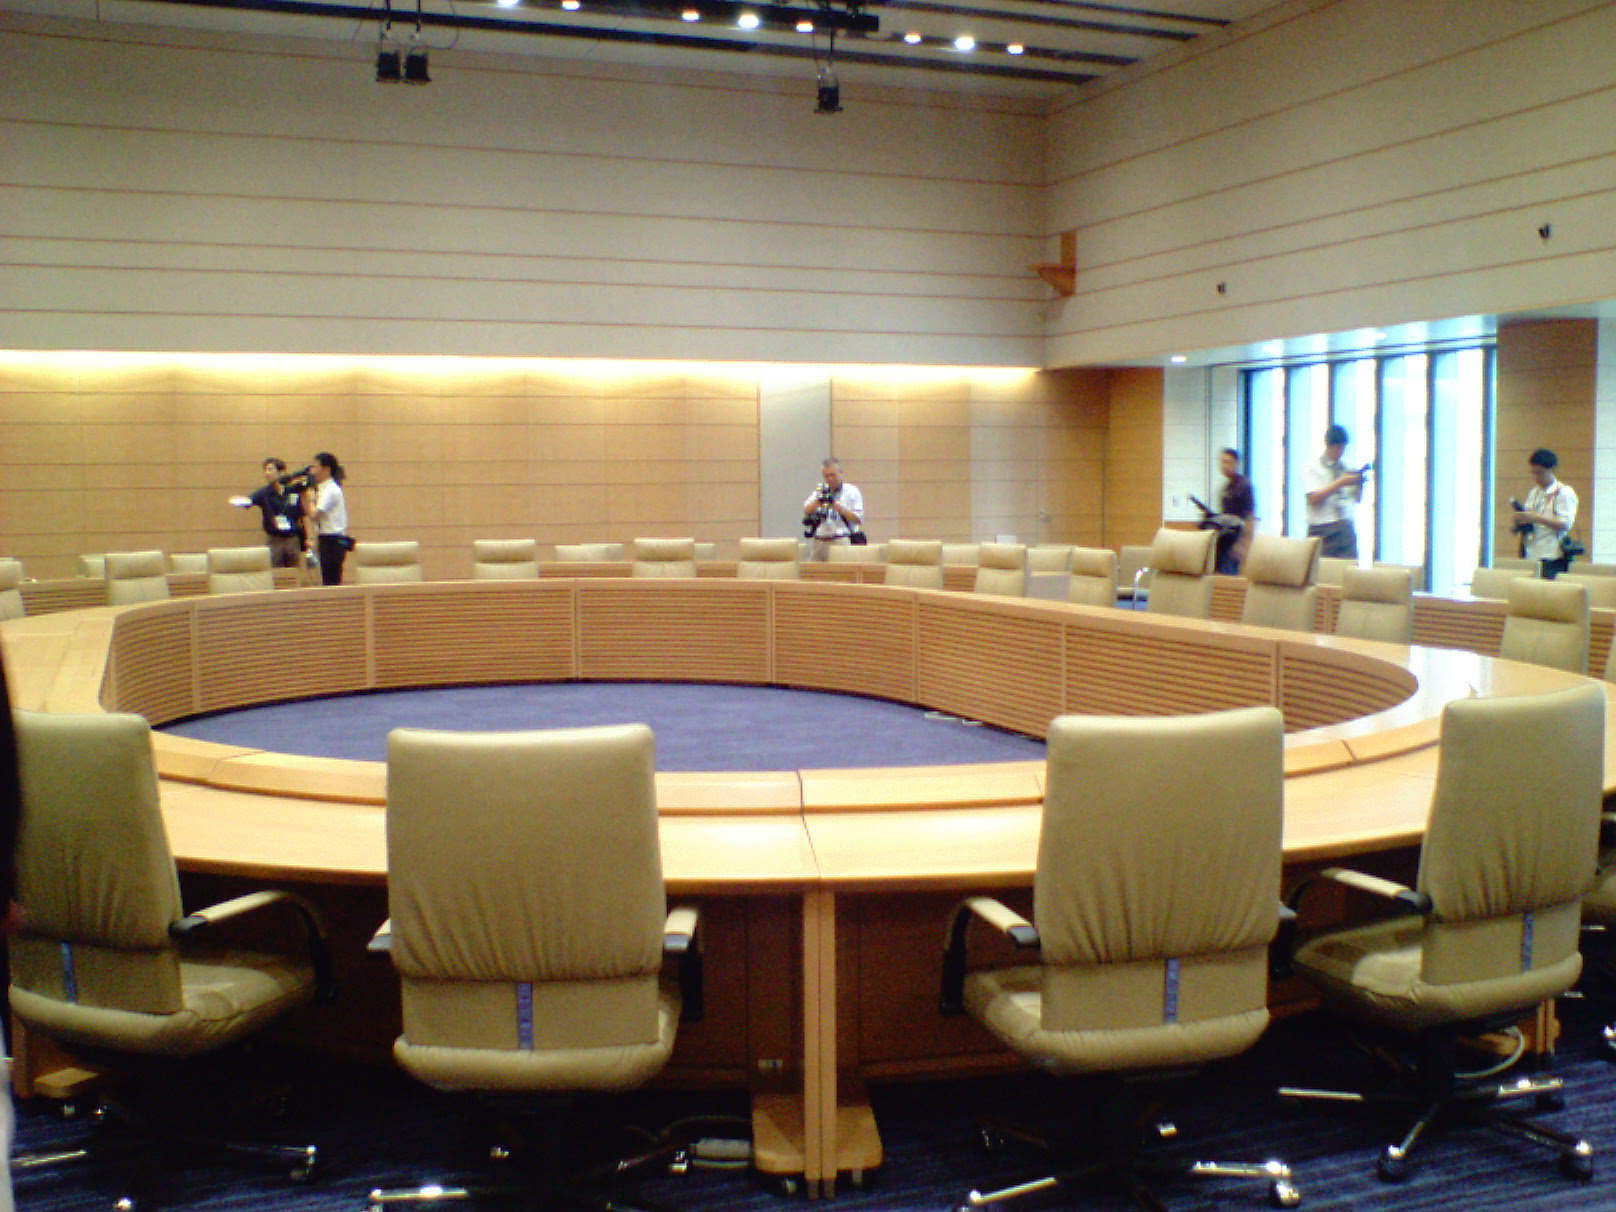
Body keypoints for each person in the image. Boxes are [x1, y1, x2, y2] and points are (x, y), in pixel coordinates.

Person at [228, 457, 306, 568]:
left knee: (294, 571)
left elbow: (302, 515)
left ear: (281, 472)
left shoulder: (293, 490)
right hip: (275, 539)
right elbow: (250, 500)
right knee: (275, 571)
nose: (267, 473)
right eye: (265, 470)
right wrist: (241, 501)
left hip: (292, 538)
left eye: (270, 469)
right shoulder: (264, 493)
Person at [1513, 447, 1578, 579]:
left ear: (1552, 470)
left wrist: (1536, 518)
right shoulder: (1535, 492)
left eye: (1540, 473)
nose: (1536, 477)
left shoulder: (1564, 493)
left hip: (1552, 555)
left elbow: (1565, 524)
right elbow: (1529, 515)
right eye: (1533, 473)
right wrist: (1521, 518)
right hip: (1531, 551)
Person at [1304, 424, 1366, 560]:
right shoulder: (1312, 466)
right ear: (1328, 445)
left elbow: (1357, 499)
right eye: (1338, 448)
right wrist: (1341, 482)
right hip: (1321, 528)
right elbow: (1313, 499)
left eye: (1343, 447)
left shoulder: (1348, 466)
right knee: (1321, 570)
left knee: (1348, 569)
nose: (1340, 452)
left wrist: (1359, 483)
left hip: (1345, 526)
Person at [802, 458, 865, 560]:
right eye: (826, 476)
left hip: (840, 539)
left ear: (841, 473)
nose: (830, 479)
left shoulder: (851, 492)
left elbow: (859, 519)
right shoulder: (820, 491)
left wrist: (840, 508)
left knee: (840, 569)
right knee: (814, 569)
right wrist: (818, 502)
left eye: (833, 475)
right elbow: (806, 509)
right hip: (820, 540)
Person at [304, 452, 350, 587]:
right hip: (326, 539)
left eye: (315, 466)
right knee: (327, 579)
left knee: (331, 582)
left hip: (332, 541)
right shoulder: (323, 488)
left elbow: (314, 514)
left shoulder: (330, 490)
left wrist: (306, 497)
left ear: (326, 469)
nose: (312, 470)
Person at [1213, 447, 1256, 575]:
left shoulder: (1244, 485)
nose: (1224, 465)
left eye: (1227, 462)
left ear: (1236, 464)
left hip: (1236, 540)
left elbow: (1250, 516)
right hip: (1223, 539)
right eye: (1222, 461)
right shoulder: (1226, 487)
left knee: (1229, 576)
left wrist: (1244, 544)